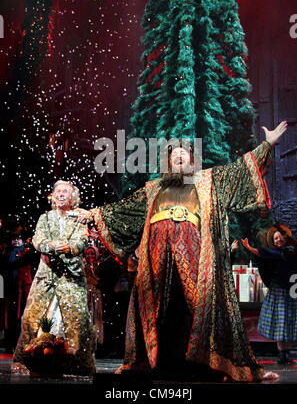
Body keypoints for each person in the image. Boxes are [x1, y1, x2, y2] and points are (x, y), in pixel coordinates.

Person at [77, 121, 287, 382]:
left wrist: (267, 145)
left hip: (195, 256)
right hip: (157, 259)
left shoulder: (208, 181)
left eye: (183, 152)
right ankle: (156, 361)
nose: (178, 155)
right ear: (167, 161)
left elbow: (239, 172)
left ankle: (210, 364)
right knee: (160, 308)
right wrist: (94, 214)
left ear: (191, 159)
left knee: (198, 306)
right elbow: (124, 211)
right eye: (173, 153)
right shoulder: (153, 190)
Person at [11, 180, 96, 376]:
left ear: (72, 196)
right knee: (33, 317)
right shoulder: (45, 217)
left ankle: (74, 363)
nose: (60, 194)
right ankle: (31, 359)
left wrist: (68, 247)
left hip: (71, 276)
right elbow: (37, 239)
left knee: (75, 319)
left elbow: (81, 241)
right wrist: (52, 246)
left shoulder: (79, 218)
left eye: (65, 191)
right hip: (46, 276)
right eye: (58, 191)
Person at [241, 223, 297, 365]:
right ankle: (281, 354)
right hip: (278, 292)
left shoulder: (291, 253)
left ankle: (286, 354)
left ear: (285, 239)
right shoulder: (273, 254)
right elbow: (261, 253)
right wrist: (249, 248)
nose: (278, 241)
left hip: (291, 291)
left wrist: (290, 240)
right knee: (280, 323)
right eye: (275, 239)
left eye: (280, 238)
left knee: (288, 323)